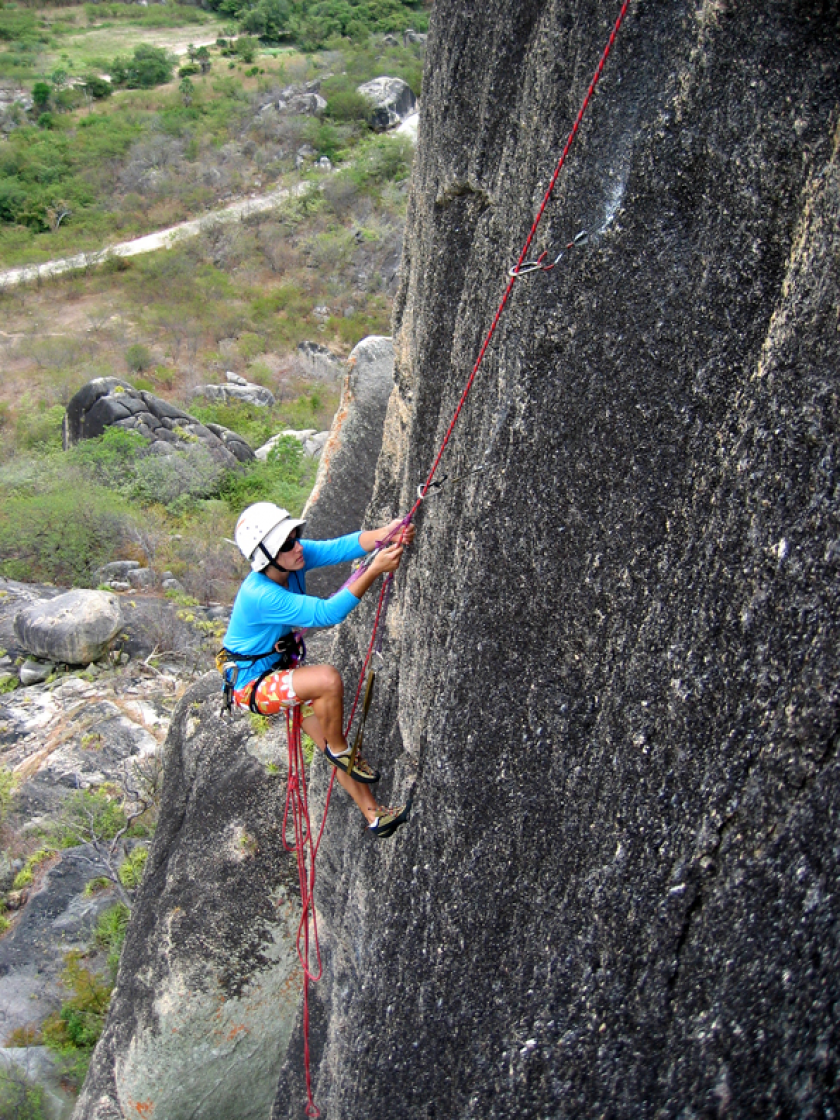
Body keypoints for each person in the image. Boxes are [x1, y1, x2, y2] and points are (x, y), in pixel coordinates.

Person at [221, 502, 415, 839]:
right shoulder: (260, 594)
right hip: (252, 685)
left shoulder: (291, 556)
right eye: (285, 543)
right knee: (327, 681)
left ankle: (374, 816)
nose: (296, 545)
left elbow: (343, 546)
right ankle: (342, 752)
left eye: (295, 536)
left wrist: (387, 533)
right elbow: (326, 614)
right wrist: (373, 570)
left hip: (277, 670)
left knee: (328, 738)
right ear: (265, 556)